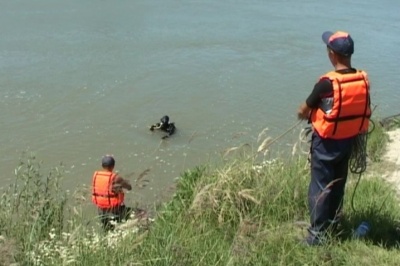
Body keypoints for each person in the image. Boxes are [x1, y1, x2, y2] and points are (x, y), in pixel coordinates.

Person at [297, 31, 371, 245]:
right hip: (348, 141)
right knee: (338, 183)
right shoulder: (363, 79)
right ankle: (332, 224)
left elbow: (304, 109)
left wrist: (302, 114)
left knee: (320, 187)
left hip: (326, 143)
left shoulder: (326, 84)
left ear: (332, 54)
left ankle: (317, 236)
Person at [91, 155, 133, 231]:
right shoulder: (116, 178)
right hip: (115, 210)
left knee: (107, 230)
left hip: (101, 210)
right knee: (141, 214)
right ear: (113, 166)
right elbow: (129, 188)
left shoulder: (96, 176)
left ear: (102, 165)